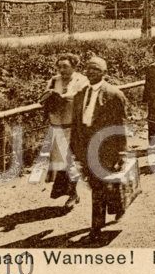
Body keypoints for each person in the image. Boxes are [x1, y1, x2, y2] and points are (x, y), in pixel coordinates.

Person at [70, 56, 127, 238]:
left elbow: (120, 125)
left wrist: (121, 152)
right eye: (89, 69)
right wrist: (74, 148)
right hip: (85, 144)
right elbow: (76, 124)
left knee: (98, 186)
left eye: (96, 69)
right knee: (99, 184)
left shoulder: (114, 94)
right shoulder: (80, 95)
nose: (91, 72)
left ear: (104, 73)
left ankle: (95, 229)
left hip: (106, 146)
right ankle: (118, 205)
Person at [41, 53, 89, 208]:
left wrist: (62, 96)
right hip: (57, 126)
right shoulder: (54, 80)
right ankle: (72, 193)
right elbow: (42, 98)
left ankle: (73, 194)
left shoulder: (81, 80)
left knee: (72, 161)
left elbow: (79, 97)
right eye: (60, 66)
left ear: (74, 66)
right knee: (62, 163)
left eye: (65, 66)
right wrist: (48, 96)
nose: (62, 70)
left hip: (74, 127)